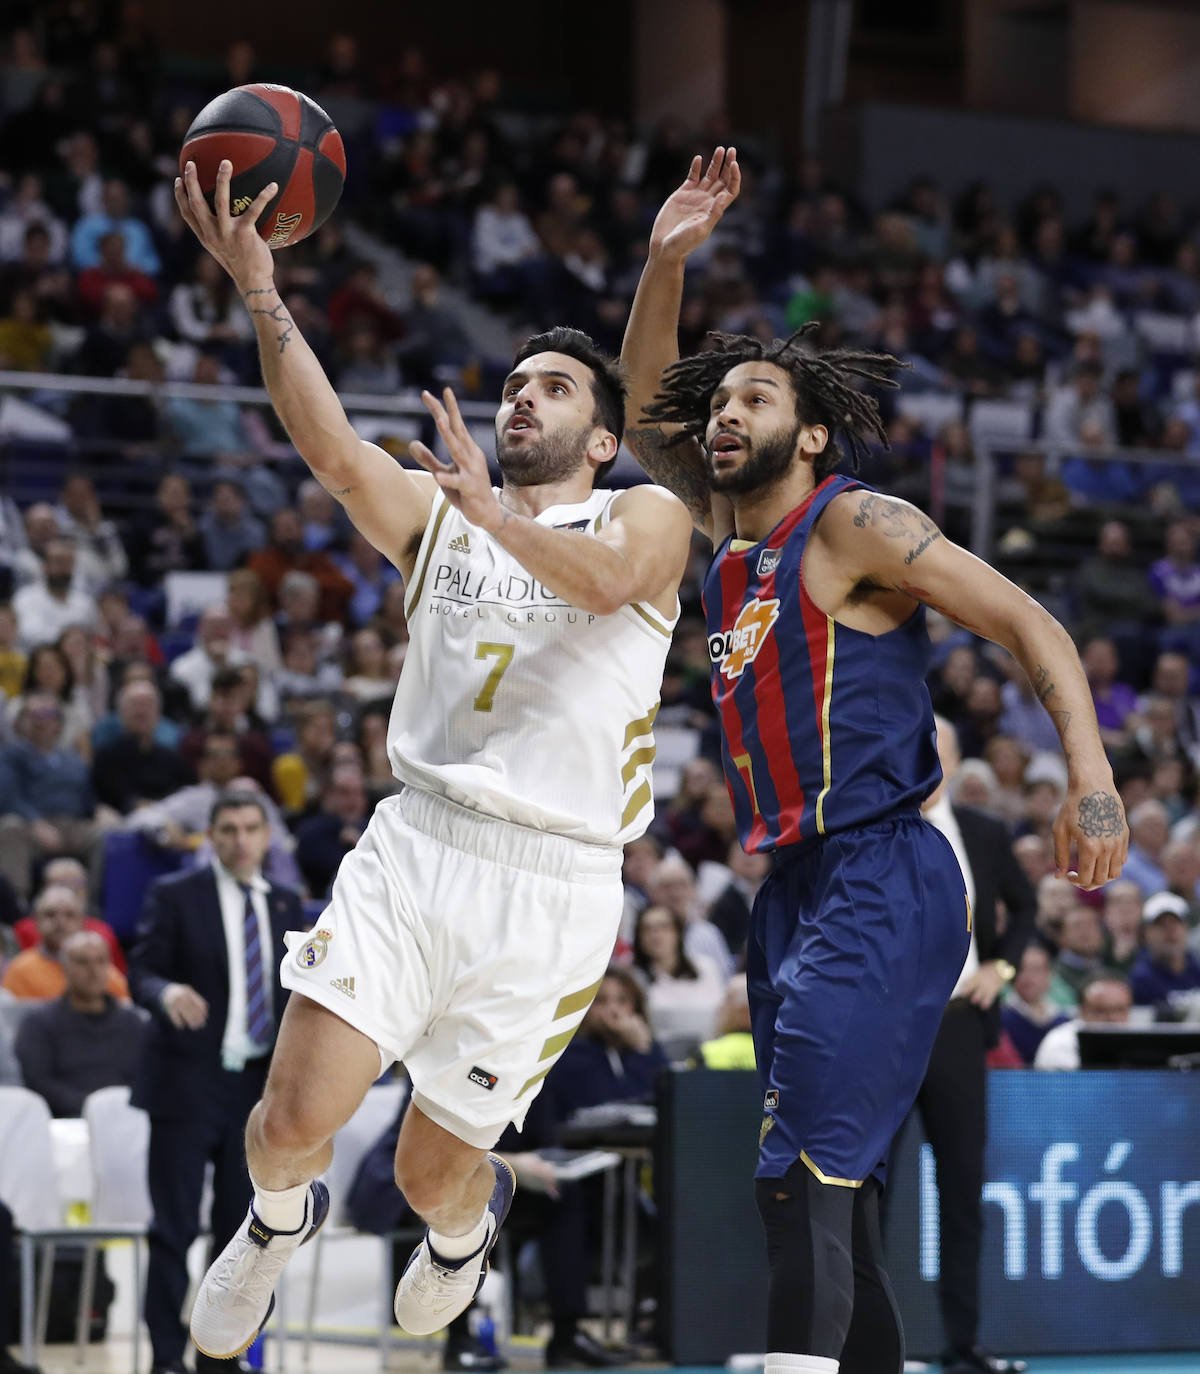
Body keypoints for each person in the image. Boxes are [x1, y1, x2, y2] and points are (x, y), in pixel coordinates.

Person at [173, 155, 692, 1355]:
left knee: (427, 1176)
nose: (521, 399)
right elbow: (340, 454)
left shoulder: (642, 515)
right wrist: (262, 294)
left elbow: (612, 586)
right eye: (512, 384)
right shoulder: (448, 512)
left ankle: (467, 1232)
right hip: (420, 843)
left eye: (552, 388)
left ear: (605, 437)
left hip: (555, 887)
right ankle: (270, 1223)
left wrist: (496, 513)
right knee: (289, 1121)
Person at [620, 148, 1127, 1374]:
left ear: (810, 430)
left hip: (883, 874)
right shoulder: (728, 537)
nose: (725, 415)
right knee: (836, 1195)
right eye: (721, 399)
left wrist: (1092, 777)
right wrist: (663, 263)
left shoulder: (849, 522)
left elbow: (1029, 623)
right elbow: (643, 415)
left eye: (752, 398)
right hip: (791, 888)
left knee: (795, 1180)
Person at [128, 790, 303, 1374]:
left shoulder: (284, 903)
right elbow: (141, 971)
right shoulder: (176, 894)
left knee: (240, 1239)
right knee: (173, 1229)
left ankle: (219, 1360)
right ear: (211, 836)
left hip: (255, 1093)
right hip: (186, 1083)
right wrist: (166, 992)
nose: (240, 839)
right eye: (227, 829)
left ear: (267, 836)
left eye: (251, 827)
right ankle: (164, 1360)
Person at [911, 717, 1035, 1374]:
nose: (925, 755)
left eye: (937, 746)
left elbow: (1027, 908)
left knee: (961, 1190)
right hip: (888, 1025)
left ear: (957, 762)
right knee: (863, 1186)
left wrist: (1002, 969)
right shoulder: (874, 826)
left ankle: (962, 1346)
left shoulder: (985, 834)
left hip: (959, 1025)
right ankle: (855, 1347)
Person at [14, 929, 144, 1116]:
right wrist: (92, 1109)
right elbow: (37, 1081)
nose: (93, 971)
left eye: (101, 961)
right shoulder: (38, 1022)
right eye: (83, 962)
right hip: (64, 1125)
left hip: (125, 1120)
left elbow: (146, 1077)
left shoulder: (133, 1023)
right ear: (65, 968)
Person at [2, 885, 128, 1001]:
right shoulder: (19, 971)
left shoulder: (104, 974)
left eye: (69, 915)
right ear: (36, 922)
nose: (60, 922)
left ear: (82, 922)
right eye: (50, 915)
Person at [1033, 972, 1133, 1070]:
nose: (1111, 1019)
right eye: (1100, 1011)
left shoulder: (1138, 1041)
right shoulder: (1060, 1043)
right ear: (1082, 1011)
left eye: (1120, 1010)